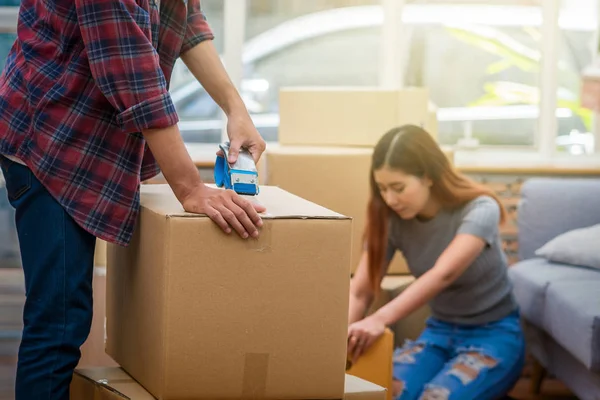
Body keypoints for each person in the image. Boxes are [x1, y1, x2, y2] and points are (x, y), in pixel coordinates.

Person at [0, 1, 265, 399]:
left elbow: (185, 18)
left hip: (91, 135)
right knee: (59, 321)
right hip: (50, 140)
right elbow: (132, 74)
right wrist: (190, 189)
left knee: (65, 314)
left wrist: (235, 107)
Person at [347, 125, 525, 400]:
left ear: (428, 176)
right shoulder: (390, 218)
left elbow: (444, 273)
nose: (390, 199)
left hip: (494, 333)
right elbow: (361, 290)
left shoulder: (480, 209)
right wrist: (335, 342)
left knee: (435, 396)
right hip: (438, 332)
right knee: (386, 393)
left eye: (398, 187)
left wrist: (379, 319)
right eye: (382, 189)